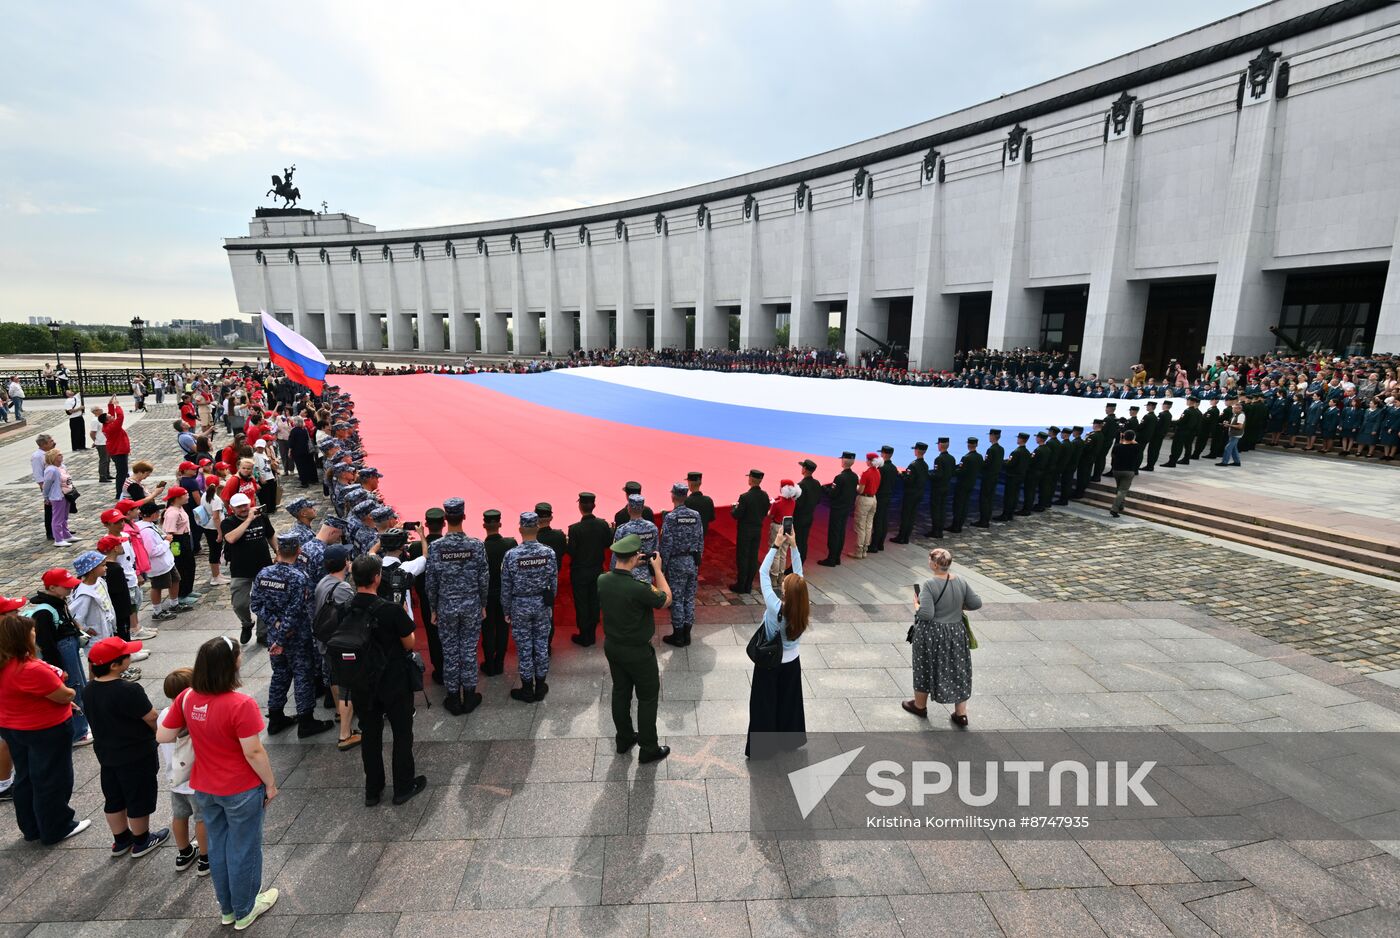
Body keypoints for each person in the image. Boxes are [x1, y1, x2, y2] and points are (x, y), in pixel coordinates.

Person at [157, 636, 280, 929]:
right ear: (232, 664)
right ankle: (245, 908)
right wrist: (271, 784)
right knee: (245, 848)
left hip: (204, 786)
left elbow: (163, 735)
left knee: (220, 847)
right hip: (240, 787)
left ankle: (227, 909)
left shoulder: (186, 697)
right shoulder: (241, 704)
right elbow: (253, 751)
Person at [0, 607, 91, 845]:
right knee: (52, 779)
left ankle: (31, 827)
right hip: (44, 729)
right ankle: (57, 826)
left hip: (12, 726)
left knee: (26, 776)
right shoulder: (30, 668)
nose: (35, 635)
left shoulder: (5, 664)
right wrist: (71, 692)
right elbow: (65, 694)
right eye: (32, 632)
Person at [342, 556, 426, 807]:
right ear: (377, 577)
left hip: (360, 681)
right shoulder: (389, 609)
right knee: (401, 734)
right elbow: (409, 642)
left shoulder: (345, 605)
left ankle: (373, 790)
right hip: (393, 680)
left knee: (370, 735)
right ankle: (403, 786)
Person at [82, 636, 170, 858]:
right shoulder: (128, 690)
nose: (130, 657)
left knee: (114, 797)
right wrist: (158, 733)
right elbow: (150, 716)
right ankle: (142, 840)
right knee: (138, 795)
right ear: (114, 665)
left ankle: (121, 840)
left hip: (107, 754)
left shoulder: (88, 689)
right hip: (135, 753)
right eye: (127, 656)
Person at [598, 534, 672, 765]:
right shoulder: (638, 588)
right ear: (634, 557)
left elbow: (618, 575)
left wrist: (631, 563)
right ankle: (649, 747)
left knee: (621, 691)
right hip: (638, 652)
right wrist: (657, 570)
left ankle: (624, 738)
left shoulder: (603, 580)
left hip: (613, 647)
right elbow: (666, 599)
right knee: (648, 697)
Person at [252, 535, 333, 738]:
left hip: (274, 636)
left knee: (280, 674)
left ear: (278, 551)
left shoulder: (263, 574)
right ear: (298, 551)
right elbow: (294, 612)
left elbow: (256, 605)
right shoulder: (299, 577)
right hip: (296, 637)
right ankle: (306, 721)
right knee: (302, 676)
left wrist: (274, 624)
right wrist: (282, 637)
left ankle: (276, 717)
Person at [745, 532, 809, 759]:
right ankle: (789, 740)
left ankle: (763, 747)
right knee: (789, 702)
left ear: (785, 591)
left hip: (770, 661)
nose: (784, 581)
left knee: (765, 703)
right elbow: (799, 576)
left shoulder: (776, 608)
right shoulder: (802, 606)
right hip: (792, 660)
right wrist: (795, 546)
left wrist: (776, 545)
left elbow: (763, 573)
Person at [902, 548, 982, 727]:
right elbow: (976, 603)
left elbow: (926, 615)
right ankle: (961, 714)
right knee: (959, 668)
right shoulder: (961, 580)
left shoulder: (929, 584)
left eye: (929, 559)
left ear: (935, 564)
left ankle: (920, 705)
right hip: (956, 632)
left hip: (932, 634)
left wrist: (916, 604)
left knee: (924, 666)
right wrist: (958, 607)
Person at [425, 498, 488, 714]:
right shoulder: (476, 545)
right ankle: (469, 696)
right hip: (471, 605)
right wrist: (483, 604)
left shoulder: (435, 548)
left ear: (445, 518)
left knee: (450, 651)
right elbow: (484, 579)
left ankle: (453, 698)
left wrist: (433, 608)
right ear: (463, 517)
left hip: (446, 606)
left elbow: (431, 582)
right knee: (469, 650)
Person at [27, 567, 93, 745]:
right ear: (52, 588)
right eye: (66, 587)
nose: (70, 589)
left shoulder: (59, 601)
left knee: (80, 685)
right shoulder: (44, 611)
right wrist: (58, 669)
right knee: (74, 687)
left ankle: (83, 725)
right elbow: (47, 644)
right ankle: (78, 733)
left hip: (69, 647)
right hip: (61, 653)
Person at [501, 512, 560, 702]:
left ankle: (527, 688)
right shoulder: (548, 553)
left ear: (520, 529)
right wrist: (549, 603)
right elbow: (554, 582)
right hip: (542, 605)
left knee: (525, 647)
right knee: (542, 645)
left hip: (519, 605)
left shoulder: (511, 555)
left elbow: (506, 586)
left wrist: (507, 610)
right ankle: (541, 685)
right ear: (537, 528)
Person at [158, 667, 210, 875]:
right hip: (195, 780)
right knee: (202, 818)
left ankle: (184, 852)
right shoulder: (192, 715)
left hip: (175, 778)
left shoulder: (164, 715)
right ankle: (206, 858)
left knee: (179, 816)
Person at [312, 544, 360, 750]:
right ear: (345, 563)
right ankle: (345, 735)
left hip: (325, 642)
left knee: (334, 678)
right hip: (339, 644)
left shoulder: (323, 582)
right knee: (347, 687)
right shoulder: (342, 588)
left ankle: (340, 713)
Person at [221, 493, 274, 645]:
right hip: (240, 570)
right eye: (239, 507)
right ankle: (246, 623)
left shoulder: (262, 517)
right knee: (240, 603)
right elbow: (231, 538)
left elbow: (270, 535)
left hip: (263, 566)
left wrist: (278, 551)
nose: (244, 509)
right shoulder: (228, 522)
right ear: (232, 508)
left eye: (245, 505)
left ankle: (263, 633)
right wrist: (249, 519)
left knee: (265, 601)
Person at [660, 482, 704, 648]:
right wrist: (698, 560)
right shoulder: (696, 515)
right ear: (685, 496)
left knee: (677, 599)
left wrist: (662, 567)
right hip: (692, 561)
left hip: (676, 562)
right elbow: (700, 539)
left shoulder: (670, 518)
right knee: (689, 598)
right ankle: (687, 634)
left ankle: (678, 636)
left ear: (673, 496)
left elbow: (666, 544)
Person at [567, 493, 610, 647]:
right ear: (594, 506)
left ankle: (585, 635)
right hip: (597, 570)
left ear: (580, 507)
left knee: (582, 603)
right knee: (594, 601)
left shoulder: (575, 529)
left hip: (580, 572)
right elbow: (608, 543)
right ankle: (591, 632)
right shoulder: (602, 525)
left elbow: (571, 552)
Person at [480, 509, 517, 673]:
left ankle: (489, 663)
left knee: (487, 629)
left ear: (484, 525)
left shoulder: (480, 547)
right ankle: (500, 662)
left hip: (486, 595)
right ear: (499, 524)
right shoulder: (510, 544)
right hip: (504, 594)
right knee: (503, 628)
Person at [819, 452, 857, 566]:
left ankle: (831, 559)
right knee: (841, 532)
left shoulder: (840, 477)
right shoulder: (854, 476)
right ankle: (837, 557)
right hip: (847, 508)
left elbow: (832, 494)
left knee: (834, 533)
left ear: (843, 461)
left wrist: (824, 488)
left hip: (837, 508)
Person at [614, 494, 660, 583]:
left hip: (628, 576)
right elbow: (656, 552)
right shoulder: (652, 528)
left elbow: (616, 557)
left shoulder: (622, 530)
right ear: (642, 508)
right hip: (647, 575)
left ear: (628, 508)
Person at [197, 477, 228, 586]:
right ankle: (215, 577)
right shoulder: (215, 499)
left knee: (214, 551)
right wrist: (220, 532)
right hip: (214, 528)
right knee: (215, 552)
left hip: (208, 527)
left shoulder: (205, 495)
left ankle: (217, 574)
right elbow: (216, 517)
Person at [948, 437, 983, 533]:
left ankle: (956, 526)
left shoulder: (966, 458)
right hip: (971, 483)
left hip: (962, 484)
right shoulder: (979, 457)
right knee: (965, 505)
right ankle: (960, 524)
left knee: (958, 506)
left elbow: (960, 471)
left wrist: (952, 471)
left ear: (968, 445)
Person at [868, 444, 898, 553]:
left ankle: (874, 544)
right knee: (884, 520)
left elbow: (876, 482)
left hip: (879, 496)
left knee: (877, 521)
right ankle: (880, 543)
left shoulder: (881, 468)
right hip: (888, 495)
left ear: (883, 454)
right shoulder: (894, 468)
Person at [42, 449, 74, 547]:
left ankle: (66, 534)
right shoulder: (51, 470)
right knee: (57, 518)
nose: (61, 456)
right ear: (53, 457)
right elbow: (46, 485)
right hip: (57, 496)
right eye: (59, 455)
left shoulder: (62, 467)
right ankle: (58, 539)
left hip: (66, 494)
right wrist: (46, 496)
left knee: (64, 517)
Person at [851, 454, 880, 559]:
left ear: (869, 461)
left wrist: (856, 485)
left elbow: (860, 490)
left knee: (860, 526)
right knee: (868, 525)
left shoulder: (866, 474)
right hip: (873, 499)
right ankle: (865, 550)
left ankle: (858, 551)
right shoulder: (877, 472)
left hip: (864, 499)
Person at [792, 460, 822, 560]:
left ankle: (796, 565)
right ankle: (801, 560)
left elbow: (798, 504)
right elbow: (818, 500)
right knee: (803, 541)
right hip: (809, 516)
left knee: (797, 543)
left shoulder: (800, 485)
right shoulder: (817, 483)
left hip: (799, 518)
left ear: (804, 469)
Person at [1110, 429, 1143, 517]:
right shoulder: (1136, 447)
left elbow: (1113, 455)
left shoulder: (1117, 446)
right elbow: (1136, 444)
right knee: (1123, 490)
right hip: (1128, 471)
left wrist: (1122, 440)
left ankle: (1121, 505)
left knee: (1119, 488)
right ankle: (1114, 509)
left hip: (1117, 470)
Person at [103, 397, 131, 499]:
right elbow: (120, 416)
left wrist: (110, 405)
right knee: (122, 473)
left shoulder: (107, 424)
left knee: (122, 472)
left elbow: (111, 415)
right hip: (119, 452)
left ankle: (121, 492)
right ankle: (120, 493)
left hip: (117, 451)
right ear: (107, 420)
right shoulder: (112, 426)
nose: (112, 416)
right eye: (110, 416)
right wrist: (117, 405)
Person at [31, 434, 58, 542]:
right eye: (51, 441)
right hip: (49, 486)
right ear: (43, 444)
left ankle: (60, 528)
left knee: (59, 509)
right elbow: (38, 474)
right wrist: (44, 488)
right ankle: (50, 532)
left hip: (57, 484)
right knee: (50, 510)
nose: (53, 442)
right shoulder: (37, 456)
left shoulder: (50, 453)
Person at [927, 438, 955, 536]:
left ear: (940, 445)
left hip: (938, 488)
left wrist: (928, 475)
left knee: (936, 510)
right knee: (942, 509)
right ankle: (940, 530)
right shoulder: (952, 458)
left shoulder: (939, 459)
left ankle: (935, 531)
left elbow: (937, 474)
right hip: (946, 486)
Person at [976, 430, 1003, 527]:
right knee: (990, 498)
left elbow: (986, 464)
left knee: (984, 499)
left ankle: (983, 521)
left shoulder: (991, 450)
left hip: (988, 477)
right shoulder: (1001, 449)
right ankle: (986, 518)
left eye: (990, 435)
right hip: (995, 476)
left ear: (993, 436)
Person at [1001, 432, 1030, 522]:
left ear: (1021, 439)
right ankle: (1010, 513)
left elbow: (1010, 464)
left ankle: (1006, 514)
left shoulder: (1016, 452)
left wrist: (1003, 462)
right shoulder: (1027, 452)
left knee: (1009, 496)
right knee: (1015, 495)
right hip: (1020, 476)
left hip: (1012, 477)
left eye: (1018, 438)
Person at [683, 471, 716, 538]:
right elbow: (711, 518)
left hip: (689, 537)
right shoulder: (708, 500)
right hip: (702, 535)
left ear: (690, 483)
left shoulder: (686, 501)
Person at [1218, 402, 1246, 467]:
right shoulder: (1235, 414)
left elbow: (1240, 426)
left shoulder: (1241, 415)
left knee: (1228, 448)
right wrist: (1227, 423)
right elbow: (1232, 422)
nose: (1232, 409)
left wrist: (1229, 425)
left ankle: (1224, 462)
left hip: (1236, 434)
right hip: (1232, 433)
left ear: (1239, 409)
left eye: (1234, 408)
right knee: (1234, 448)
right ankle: (1237, 462)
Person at [89, 409, 112, 484]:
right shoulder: (95, 421)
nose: (101, 410)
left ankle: (107, 474)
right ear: (94, 411)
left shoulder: (100, 419)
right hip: (101, 443)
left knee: (108, 459)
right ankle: (102, 476)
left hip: (106, 442)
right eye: (99, 409)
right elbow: (92, 433)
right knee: (103, 460)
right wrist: (95, 441)